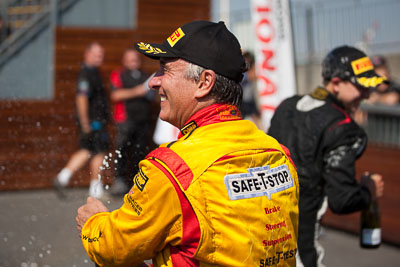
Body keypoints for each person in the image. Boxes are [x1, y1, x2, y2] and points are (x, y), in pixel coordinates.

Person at [76, 20, 299, 267]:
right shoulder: (279, 154)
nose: (153, 81)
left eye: (165, 70)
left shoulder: (172, 168)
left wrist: (93, 222)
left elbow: (112, 247)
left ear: (204, 82)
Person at [268, 45, 385, 267]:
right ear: (336, 83)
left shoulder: (287, 106)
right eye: (361, 86)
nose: (368, 94)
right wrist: (368, 191)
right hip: (300, 249)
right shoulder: (342, 126)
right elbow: (343, 200)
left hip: (263, 235)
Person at [53, 42, 110, 199]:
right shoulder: (86, 74)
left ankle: (63, 177)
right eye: (97, 54)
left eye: (102, 54)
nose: (100, 57)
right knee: (99, 152)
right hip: (94, 121)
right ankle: (95, 189)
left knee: (87, 150)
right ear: (87, 54)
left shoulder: (94, 72)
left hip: (95, 121)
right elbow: (82, 98)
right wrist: (85, 123)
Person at [109, 48, 153, 196]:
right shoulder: (119, 74)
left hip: (142, 120)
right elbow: (115, 95)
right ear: (124, 60)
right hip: (125, 120)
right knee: (122, 149)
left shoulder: (144, 75)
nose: (133, 61)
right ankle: (119, 181)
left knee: (140, 151)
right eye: (130, 59)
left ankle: (137, 182)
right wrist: (138, 91)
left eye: (135, 58)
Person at [240, 51, 262, 129]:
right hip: (242, 98)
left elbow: (252, 77)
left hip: (249, 97)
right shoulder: (241, 68)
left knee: (254, 115)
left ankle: (260, 131)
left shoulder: (251, 69)